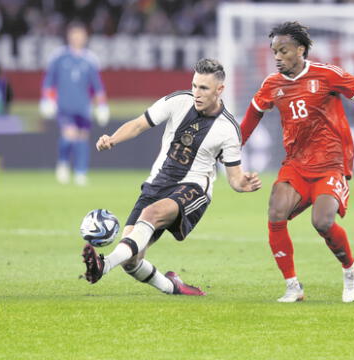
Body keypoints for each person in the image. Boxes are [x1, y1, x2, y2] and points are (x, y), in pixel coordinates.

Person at [240, 22, 354, 303]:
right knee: (276, 212)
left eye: (283, 51)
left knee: (322, 221)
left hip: (332, 161)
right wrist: (231, 151)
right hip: (296, 163)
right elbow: (251, 118)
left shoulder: (326, 75)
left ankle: (351, 270)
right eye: (274, 51)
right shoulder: (271, 85)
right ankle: (292, 286)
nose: (277, 56)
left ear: (300, 50)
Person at [81, 58, 262, 295]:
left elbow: (235, 177)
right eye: (194, 85)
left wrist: (243, 184)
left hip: (193, 189)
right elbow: (138, 125)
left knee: (151, 214)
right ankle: (172, 287)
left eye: (204, 88)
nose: (196, 93)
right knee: (131, 259)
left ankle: (102, 267)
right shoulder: (178, 101)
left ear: (220, 90)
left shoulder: (228, 129)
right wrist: (112, 139)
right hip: (157, 184)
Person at [40, 21, 109, 186]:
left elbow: (97, 87)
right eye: (74, 34)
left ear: (85, 37)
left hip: (83, 107)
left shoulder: (90, 59)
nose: (78, 38)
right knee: (69, 134)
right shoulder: (59, 57)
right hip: (64, 106)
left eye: (81, 34)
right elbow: (49, 81)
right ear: (69, 36)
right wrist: (47, 100)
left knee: (83, 138)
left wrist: (102, 106)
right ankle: (63, 164)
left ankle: (80, 172)